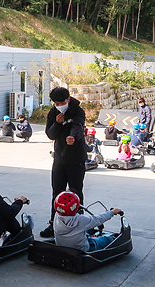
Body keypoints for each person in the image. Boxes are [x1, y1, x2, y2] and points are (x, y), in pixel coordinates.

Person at [41, 87, 86, 238]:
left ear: (68, 99)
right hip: (59, 159)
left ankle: (78, 224)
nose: (59, 105)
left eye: (62, 102)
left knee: (76, 192)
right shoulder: (53, 113)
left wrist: (73, 136)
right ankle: (54, 224)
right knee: (57, 193)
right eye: (56, 102)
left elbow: (78, 126)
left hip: (76, 159)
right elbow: (50, 134)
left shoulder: (77, 111)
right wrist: (57, 124)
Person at [52, 191, 124, 252]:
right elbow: (98, 219)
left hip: (62, 246)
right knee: (107, 239)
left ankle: (89, 236)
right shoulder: (80, 220)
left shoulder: (56, 216)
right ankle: (115, 239)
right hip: (82, 249)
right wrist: (112, 212)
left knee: (86, 230)